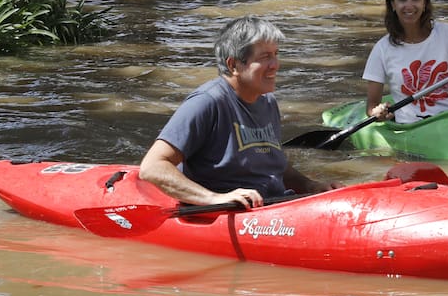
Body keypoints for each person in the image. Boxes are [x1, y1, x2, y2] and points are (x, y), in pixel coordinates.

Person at [139, 15, 332, 209]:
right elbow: (152, 167)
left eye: (276, 54)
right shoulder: (207, 102)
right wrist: (212, 198)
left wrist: (310, 185)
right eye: (265, 57)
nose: (275, 64)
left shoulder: (268, 102)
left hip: (273, 206)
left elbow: (274, 166)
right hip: (229, 212)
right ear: (233, 65)